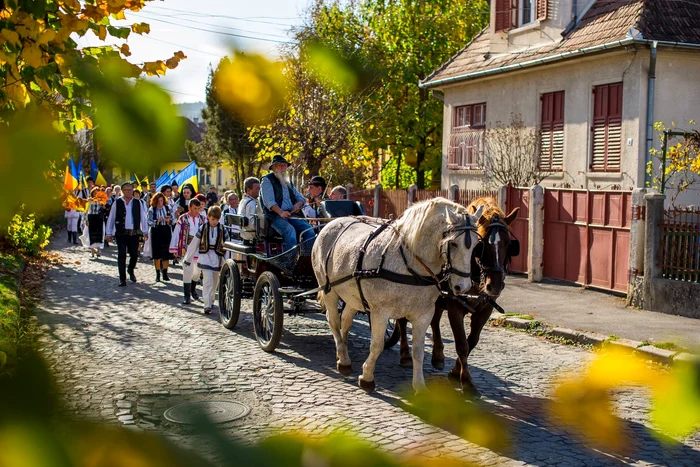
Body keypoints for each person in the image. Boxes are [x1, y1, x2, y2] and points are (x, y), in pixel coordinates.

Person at [260, 155, 314, 250]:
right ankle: (290, 260)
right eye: (280, 165)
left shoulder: (287, 181)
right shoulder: (267, 180)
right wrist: (281, 212)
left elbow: (301, 198)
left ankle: (306, 257)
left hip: (290, 215)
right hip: (275, 217)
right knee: (290, 230)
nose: (284, 168)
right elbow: (269, 202)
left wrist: (297, 205)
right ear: (273, 168)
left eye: (285, 165)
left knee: (309, 230)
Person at [183, 206, 227, 314]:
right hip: (205, 257)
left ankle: (211, 299)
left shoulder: (222, 229)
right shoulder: (202, 228)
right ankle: (206, 304)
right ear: (208, 217)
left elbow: (227, 246)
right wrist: (188, 258)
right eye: (213, 219)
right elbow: (194, 244)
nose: (215, 222)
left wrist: (227, 261)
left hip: (217, 258)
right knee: (207, 281)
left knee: (215, 281)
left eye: (217, 219)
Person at [106, 182, 149, 287]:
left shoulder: (138, 203)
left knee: (134, 254)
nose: (129, 192)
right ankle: (122, 278)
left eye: (130, 190)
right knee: (121, 255)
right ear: (122, 191)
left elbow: (143, 217)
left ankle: (130, 269)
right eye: (126, 190)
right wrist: (108, 232)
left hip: (134, 233)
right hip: (121, 233)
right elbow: (111, 218)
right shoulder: (117, 202)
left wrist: (145, 231)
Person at [170, 198, 204, 304]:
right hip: (187, 247)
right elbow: (176, 232)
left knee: (197, 273)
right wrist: (174, 247)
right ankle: (187, 295)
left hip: (199, 248)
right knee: (187, 271)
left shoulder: (203, 219)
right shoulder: (183, 218)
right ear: (189, 208)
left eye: (198, 209)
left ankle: (193, 289)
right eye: (195, 208)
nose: (197, 211)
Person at [147, 192, 173, 282]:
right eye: (158, 201)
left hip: (166, 231)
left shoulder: (168, 208)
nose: (160, 203)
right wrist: (156, 222)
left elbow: (173, 219)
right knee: (156, 254)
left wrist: (169, 221)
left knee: (166, 253)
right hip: (156, 231)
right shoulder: (152, 209)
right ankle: (157, 273)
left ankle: (165, 273)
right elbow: (149, 221)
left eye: (161, 200)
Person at [85, 187, 105, 258]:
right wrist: (86, 220)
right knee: (92, 234)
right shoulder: (89, 200)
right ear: (92, 193)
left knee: (99, 234)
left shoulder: (102, 200)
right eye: (95, 192)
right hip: (91, 217)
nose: (96, 193)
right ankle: (92, 251)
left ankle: (99, 250)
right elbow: (86, 210)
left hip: (99, 218)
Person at [238, 177, 260, 242]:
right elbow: (251, 224)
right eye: (257, 189)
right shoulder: (251, 203)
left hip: (244, 234)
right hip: (251, 236)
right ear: (249, 190)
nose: (259, 190)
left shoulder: (243, 200)